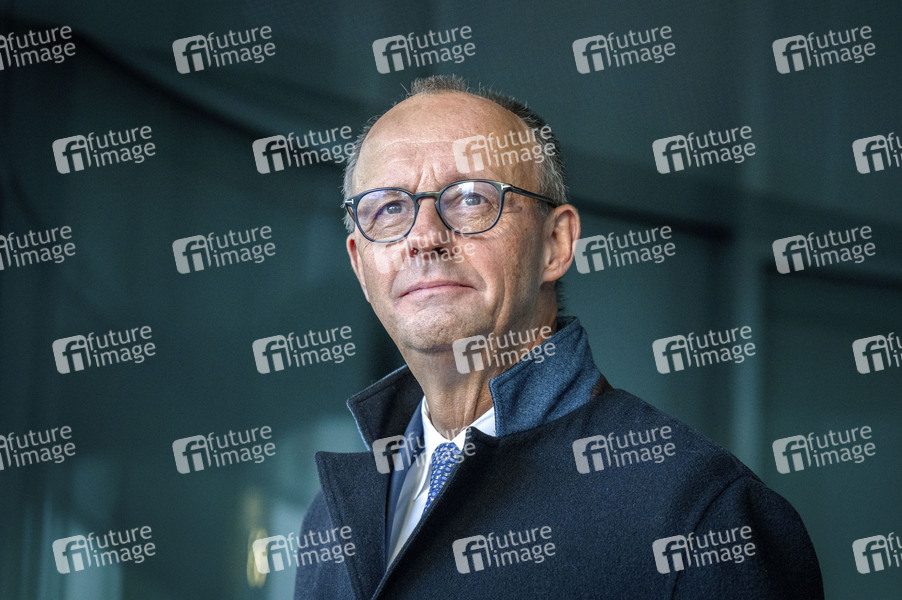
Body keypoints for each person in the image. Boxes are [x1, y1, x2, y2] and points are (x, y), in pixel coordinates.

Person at [293, 75, 823, 599]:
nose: (425, 236)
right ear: (361, 266)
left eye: (471, 198)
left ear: (556, 243)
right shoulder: (333, 521)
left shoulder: (705, 516)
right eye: (389, 208)